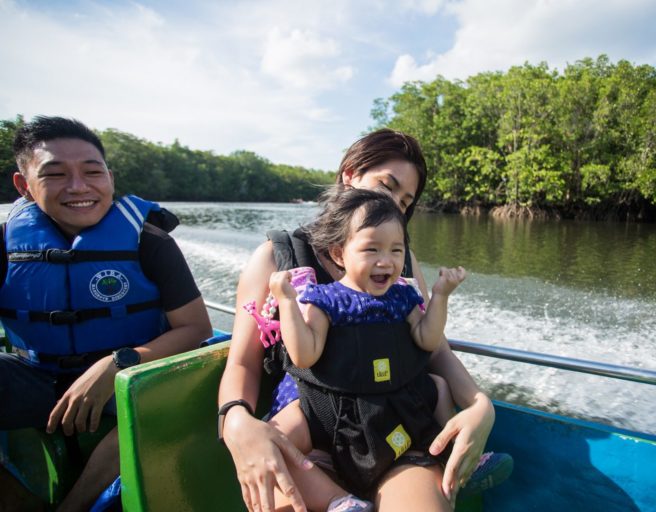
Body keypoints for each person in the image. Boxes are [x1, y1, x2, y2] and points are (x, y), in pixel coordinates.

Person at [218, 128, 503, 512]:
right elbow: (242, 363)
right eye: (387, 186)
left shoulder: (402, 264)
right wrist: (235, 420)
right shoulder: (277, 258)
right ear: (349, 175)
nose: (394, 205)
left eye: (405, 201)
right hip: (312, 433)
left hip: (396, 431)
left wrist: (480, 405)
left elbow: (434, 349)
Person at [0, 116, 213, 511]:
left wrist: (117, 364)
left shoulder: (150, 242)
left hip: (131, 376)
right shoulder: (6, 243)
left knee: (161, 400)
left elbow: (195, 328)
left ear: (110, 179)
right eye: (56, 174)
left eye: (92, 172)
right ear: (23, 185)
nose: (78, 187)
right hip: (37, 375)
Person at [262, 188, 466, 509]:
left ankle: (455, 456)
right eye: (372, 249)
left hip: (389, 406)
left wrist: (440, 296)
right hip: (329, 409)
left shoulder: (403, 297)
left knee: (439, 387)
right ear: (339, 254)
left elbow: (427, 340)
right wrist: (287, 301)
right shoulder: (325, 300)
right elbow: (304, 355)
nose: (386, 261)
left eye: (396, 250)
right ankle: (338, 502)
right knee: (270, 445)